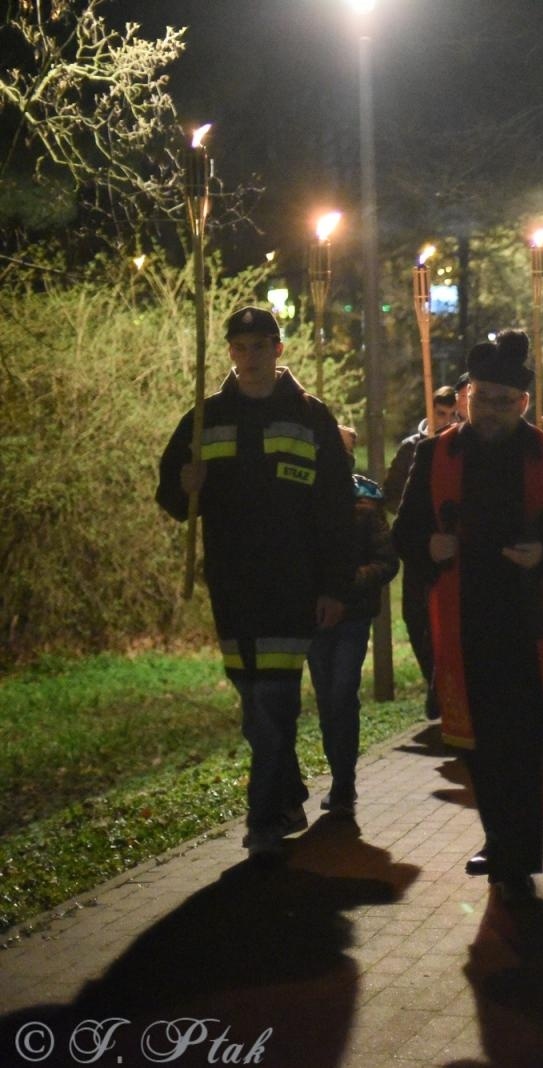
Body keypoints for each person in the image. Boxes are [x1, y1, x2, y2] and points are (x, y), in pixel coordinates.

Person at [156, 305, 356, 860]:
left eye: (260, 346)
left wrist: (334, 587)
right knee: (254, 705)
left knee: (274, 702)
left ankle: (263, 820)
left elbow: (336, 510)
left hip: (292, 588)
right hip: (233, 588)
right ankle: (289, 796)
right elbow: (172, 500)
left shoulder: (312, 416)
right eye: (240, 347)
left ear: (279, 349)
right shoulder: (205, 418)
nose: (250, 357)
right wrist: (183, 483)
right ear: (229, 353)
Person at [393, 331, 543, 904]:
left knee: (520, 746)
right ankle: (499, 838)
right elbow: (404, 534)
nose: (491, 410)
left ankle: (518, 857)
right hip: (462, 619)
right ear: (467, 394)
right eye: (483, 398)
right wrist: (428, 546)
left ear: (523, 403)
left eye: (504, 401)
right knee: (473, 745)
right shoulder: (434, 454)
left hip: (526, 623)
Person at [308, 425, 399, 816]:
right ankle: (339, 775)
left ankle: (344, 783)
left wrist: (347, 589)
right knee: (328, 699)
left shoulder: (365, 501)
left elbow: (386, 561)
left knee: (343, 692)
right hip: (313, 618)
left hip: (352, 617)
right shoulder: (302, 498)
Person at [383, 384, 458, 721]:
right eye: (439, 413)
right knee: (417, 619)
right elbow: (392, 493)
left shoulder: (460, 446)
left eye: (451, 414)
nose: (445, 420)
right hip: (418, 547)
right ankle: (433, 679)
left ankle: (444, 689)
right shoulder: (413, 448)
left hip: (452, 547)